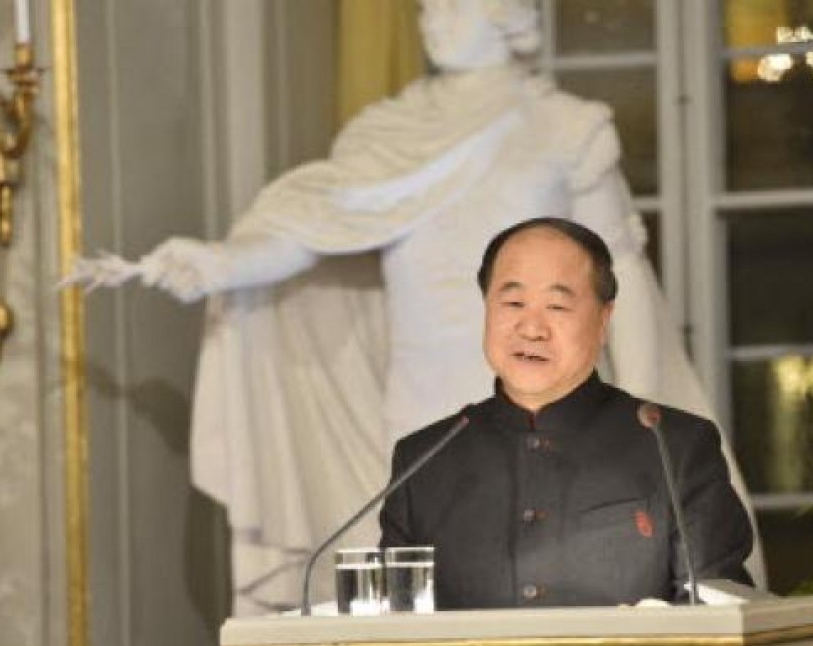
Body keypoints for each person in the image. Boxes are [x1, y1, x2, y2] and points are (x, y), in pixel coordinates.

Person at [66, 0, 762, 611]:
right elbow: (314, 229)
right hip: (427, 394)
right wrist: (217, 263)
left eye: (454, 4)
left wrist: (647, 415)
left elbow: (625, 283)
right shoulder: (384, 134)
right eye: (426, 7)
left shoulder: (566, 127)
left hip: (593, 428)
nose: (435, 19)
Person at [379, 218, 753, 608]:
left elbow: (720, 616)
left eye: (557, 306)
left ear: (603, 320)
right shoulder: (422, 460)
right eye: (512, 303)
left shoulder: (673, 445)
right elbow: (389, 630)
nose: (532, 328)